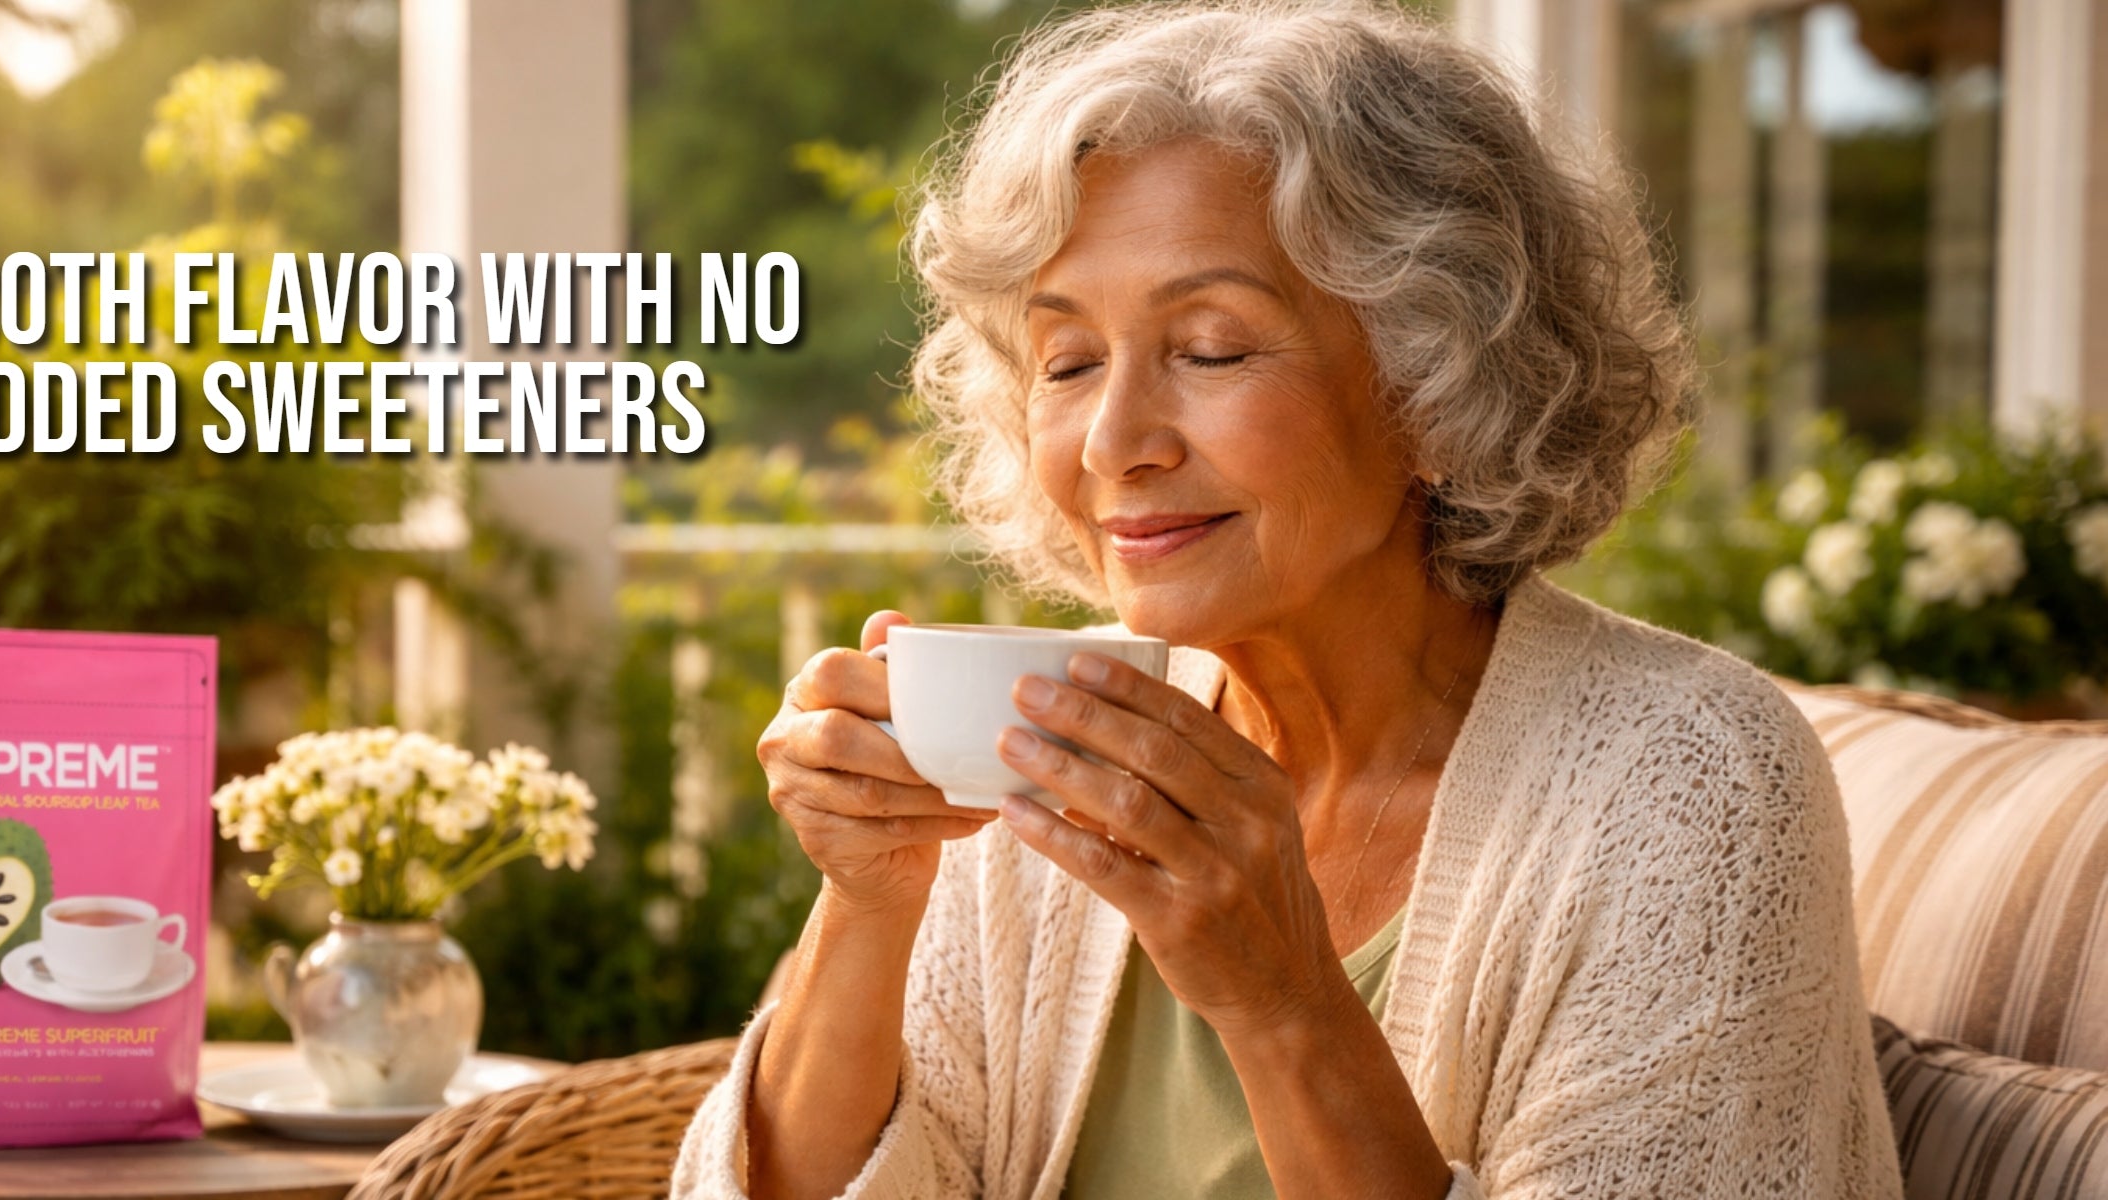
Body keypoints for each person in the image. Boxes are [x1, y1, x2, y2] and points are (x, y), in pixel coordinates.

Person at [673, 2, 1904, 1196]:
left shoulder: (1687, 782)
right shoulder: (1042, 737)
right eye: (1069, 361)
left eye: (1210, 349)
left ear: (1439, 382)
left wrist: (1281, 1001)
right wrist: (870, 898)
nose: (1112, 442)